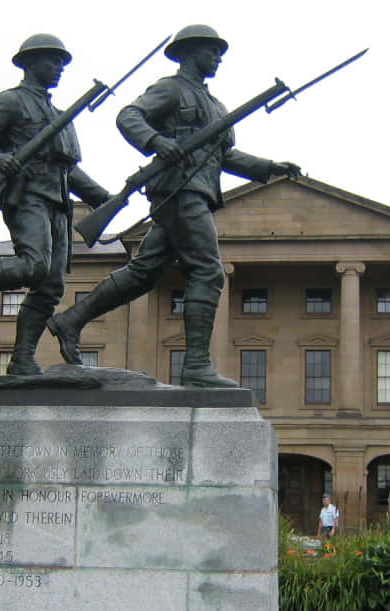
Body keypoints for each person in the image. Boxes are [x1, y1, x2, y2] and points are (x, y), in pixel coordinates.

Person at [46, 24, 300, 387]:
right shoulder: (171, 88)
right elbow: (128, 116)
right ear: (191, 52)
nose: (218, 57)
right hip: (180, 191)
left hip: (193, 193)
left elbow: (224, 154)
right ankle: (195, 365)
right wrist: (156, 141)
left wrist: (268, 167)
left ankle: (71, 319)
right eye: (211, 51)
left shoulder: (215, 105)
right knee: (209, 271)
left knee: (143, 272)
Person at [0, 34, 110, 375]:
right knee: (33, 266)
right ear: (29, 63)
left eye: (61, 62)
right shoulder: (13, 101)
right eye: (52, 60)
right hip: (26, 195)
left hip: (58, 203)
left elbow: (67, 169)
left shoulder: (59, 113)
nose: (59, 68)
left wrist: (102, 196)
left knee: (51, 285)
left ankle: (22, 358)